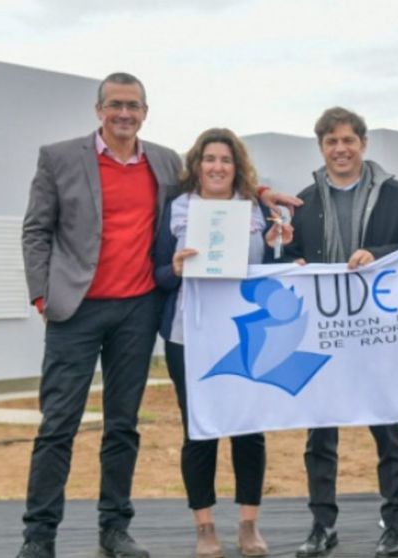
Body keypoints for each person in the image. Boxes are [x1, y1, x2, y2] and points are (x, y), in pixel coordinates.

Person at [18, 72, 300, 558]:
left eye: (133, 106)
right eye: (115, 105)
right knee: (58, 425)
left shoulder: (165, 162)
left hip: (138, 312)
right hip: (76, 312)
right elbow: (36, 231)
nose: (124, 114)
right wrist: (44, 298)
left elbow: (217, 184)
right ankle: (39, 537)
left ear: (145, 112)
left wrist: (264, 193)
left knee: (123, 426)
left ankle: (114, 530)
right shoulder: (59, 158)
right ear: (98, 109)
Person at [268, 107, 398, 558]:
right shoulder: (303, 200)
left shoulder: (395, 194)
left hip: (377, 330)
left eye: (348, 140)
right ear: (321, 148)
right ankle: (322, 524)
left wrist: (376, 253)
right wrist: (289, 260)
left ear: (363, 144)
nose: (341, 149)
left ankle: (395, 522)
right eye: (332, 142)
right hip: (322, 332)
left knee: (388, 429)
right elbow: (289, 257)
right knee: (320, 434)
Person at [154, 128, 287, 558]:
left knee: (248, 428)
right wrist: (173, 269)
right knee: (200, 429)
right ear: (197, 165)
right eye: (209, 159)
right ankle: (205, 527)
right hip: (187, 335)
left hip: (246, 333)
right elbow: (156, 273)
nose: (217, 167)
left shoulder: (254, 210)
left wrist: (274, 248)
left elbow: (278, 265)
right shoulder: (176, 209)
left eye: (226, 160)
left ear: (237, 167)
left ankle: (249, 526)